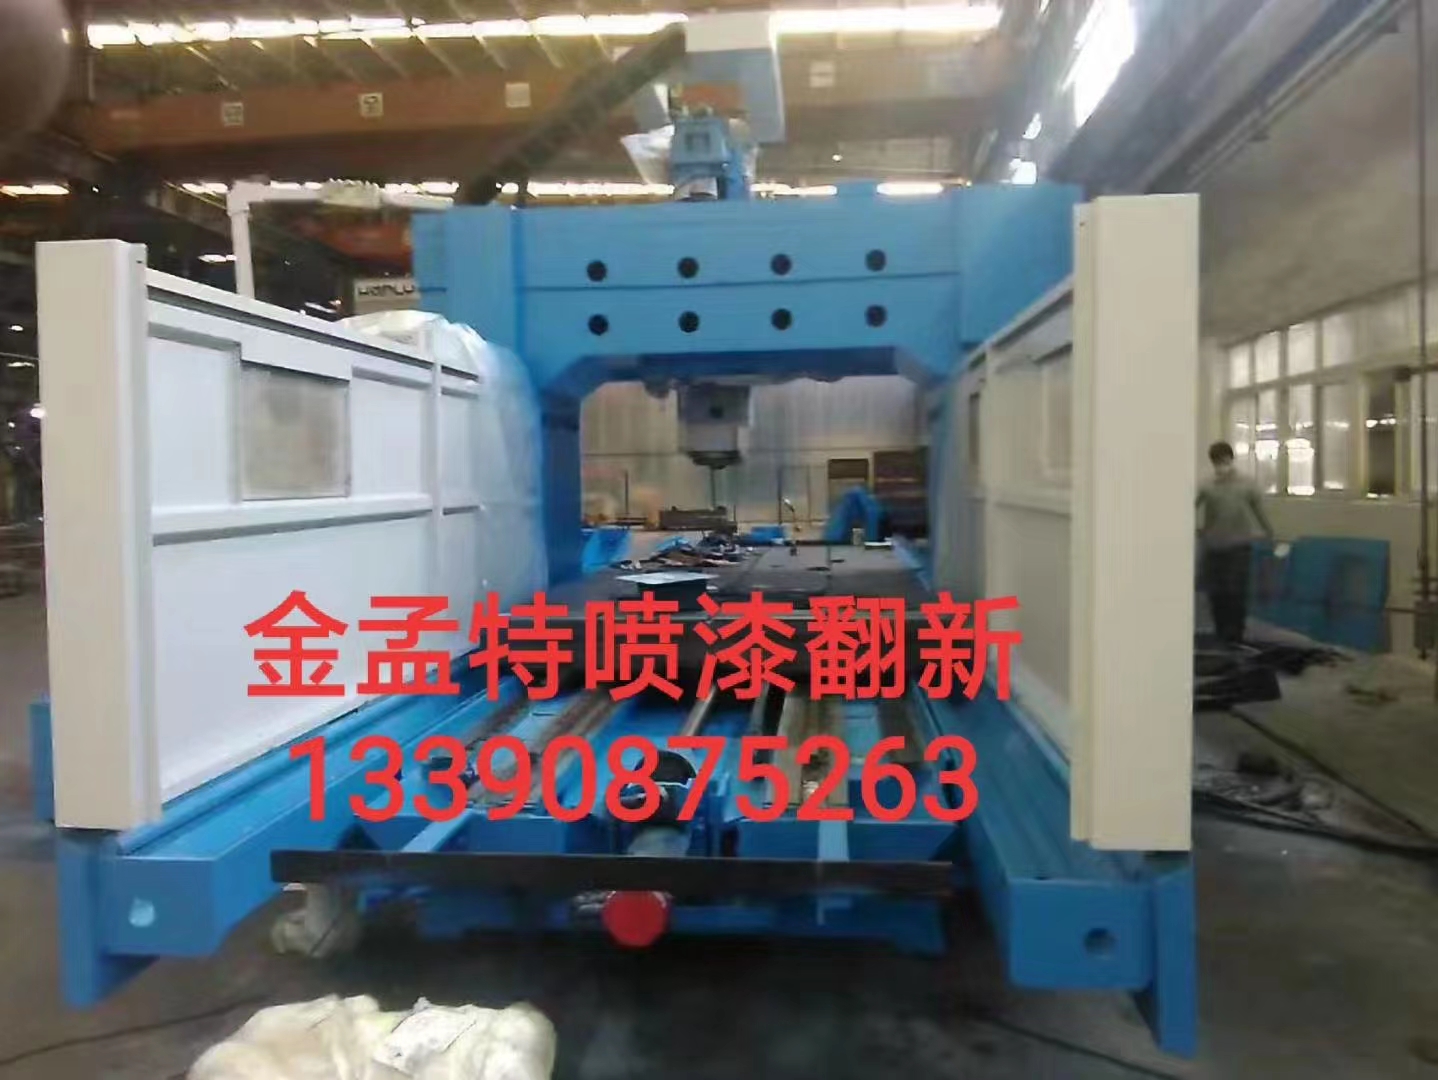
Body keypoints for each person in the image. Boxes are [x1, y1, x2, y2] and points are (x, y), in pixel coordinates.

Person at [1196, 441, 1275, 645]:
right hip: (1214, 547)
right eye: (1216, 462)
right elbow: (1191, 506)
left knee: (1236, 592)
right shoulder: (1207, 485)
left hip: (1239, 547)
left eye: (1223, 461)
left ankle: (1235, 636)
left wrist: (1269, 533)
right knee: (1216, 594)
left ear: (1231, 459)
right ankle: (1221, 633)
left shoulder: (1247, 484)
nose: (1220, 466)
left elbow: (1259, 510)